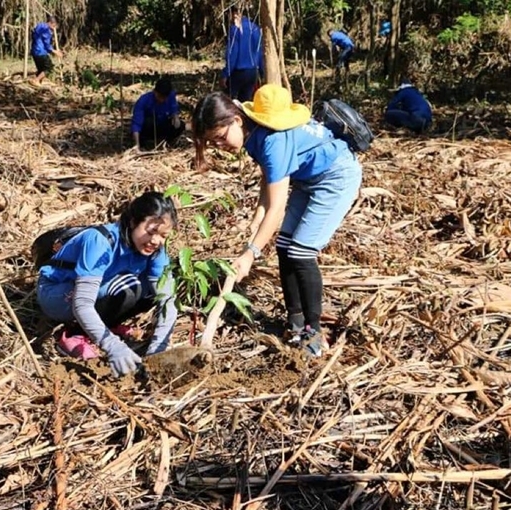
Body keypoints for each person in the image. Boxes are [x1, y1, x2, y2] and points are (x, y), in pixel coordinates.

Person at [192, 85, 362, 357]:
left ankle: (313, 333)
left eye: (220, 138)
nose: (220, 147)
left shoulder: (272, 140)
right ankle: (294, 321)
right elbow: (268, 175)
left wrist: (251, 254)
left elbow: (278, 208)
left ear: (236, 120)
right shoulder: (253, 130)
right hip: (306, 179)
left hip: (335, 176)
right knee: (284, 246)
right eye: (214, 143)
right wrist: (259, 210)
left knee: (301, 252)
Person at [36, 192, 178, 377]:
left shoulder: (156, 251)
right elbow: (82, 303)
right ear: (134, 221)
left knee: (153, 289)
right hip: (58, 294)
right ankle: (74, 334)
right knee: (128, 286)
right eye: (151, 231)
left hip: (101, 289)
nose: (156, 241)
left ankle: (104, 325)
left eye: (163, 236)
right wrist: (113, 346)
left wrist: (158, 349)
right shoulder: (100, 241)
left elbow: (167, 299)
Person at [222, 6, 263, 102]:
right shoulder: (255, 29)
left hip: (238, 72)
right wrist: (261, 72)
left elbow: (232, 53)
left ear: (235, 14)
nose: (230, 18)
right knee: (245, 103)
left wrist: (225, 74)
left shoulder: (235, 30)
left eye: (230, 15)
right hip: (252, 72)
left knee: (229, 101)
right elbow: (259, 52)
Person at [131, 78, 185, 151]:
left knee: (180, 126)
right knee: (148, 122)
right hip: (148, 128)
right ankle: (146, 143)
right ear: (154, 92)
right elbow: (136, 124)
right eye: (160, 97)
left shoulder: (170, 96)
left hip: (162, 124)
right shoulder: (143, 101)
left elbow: (173, 108)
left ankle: (164, 142)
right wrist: (137, 145)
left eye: (164, 98)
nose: (162, 100)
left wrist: (175, 118)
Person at [31, 15, 64, 84]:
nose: (54, 28)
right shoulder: (46, 30)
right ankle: (36, 80)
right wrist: (56, 52)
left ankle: (39, 82)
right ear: (52, 23)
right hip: (41, 52)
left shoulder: (39, 25)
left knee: (41, 69)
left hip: (34, 52)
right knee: (49, 68)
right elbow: (47, 46)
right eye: (54, 26)